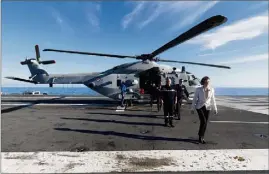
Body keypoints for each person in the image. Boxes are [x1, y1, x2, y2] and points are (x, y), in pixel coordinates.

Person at [191, 76, 217, 144]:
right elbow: (194, 99)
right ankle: (200, 136)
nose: (207, 83)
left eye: (208, 82)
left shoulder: (211, 89)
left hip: (207, 107)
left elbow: (213, 99)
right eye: (206, 82)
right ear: (203, 82)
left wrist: (215, 108)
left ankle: (202, 136)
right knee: (204, 121)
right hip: (199, 107)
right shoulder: (198, 89)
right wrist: (192, 108)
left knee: (205, 123)